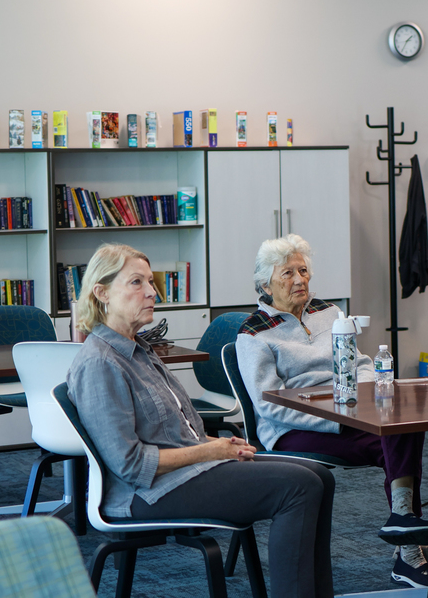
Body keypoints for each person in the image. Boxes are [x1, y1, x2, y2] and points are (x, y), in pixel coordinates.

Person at [67, 243, 335, 598]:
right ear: (101, 293)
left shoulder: (140, 349)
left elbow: (179, 432)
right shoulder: (100, 362)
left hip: (186, 472)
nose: (152, 292)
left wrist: (217, 445)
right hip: (146, 493)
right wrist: (211, 452)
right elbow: (131, 465)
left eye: (151, 281)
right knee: (298, 487)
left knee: (320, 476)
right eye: (136, 283)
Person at [236, 234, 428, 588]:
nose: (300, 280)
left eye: (303, 271)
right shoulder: (254, 334)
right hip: (294, 429)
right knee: (392, 441)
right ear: (265, 284)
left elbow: (358, 363)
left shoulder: (327, 311)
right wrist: (335, 416)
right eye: (287, 274)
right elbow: (270, 401)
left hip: (348, 412)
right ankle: (408, 546)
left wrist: (364, 394)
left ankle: (402, 523)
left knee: (403, 425)